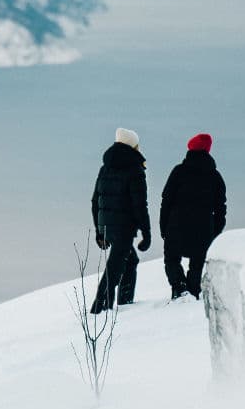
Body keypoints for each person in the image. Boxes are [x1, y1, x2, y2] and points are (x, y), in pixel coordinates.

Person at [159, 132, 227, 300]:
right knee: (197, 264)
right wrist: (215, 232)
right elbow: (221, 208)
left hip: (176, 225)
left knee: (171, 259)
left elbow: (166, 200)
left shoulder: (178, 172)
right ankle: (193, 292)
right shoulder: (215, 176)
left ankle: (180, 289)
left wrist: (163, 226)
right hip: (203, 229)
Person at [89, 127, 149, 313]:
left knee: (130, 261)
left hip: (107, 225)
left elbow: (95, 200)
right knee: (113, 270)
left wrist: (100, 231)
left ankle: (124, 303)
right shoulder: (135, 170)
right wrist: (146, 233)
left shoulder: (105, 168)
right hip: (123, 228)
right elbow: (140, 205)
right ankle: (99, 310)